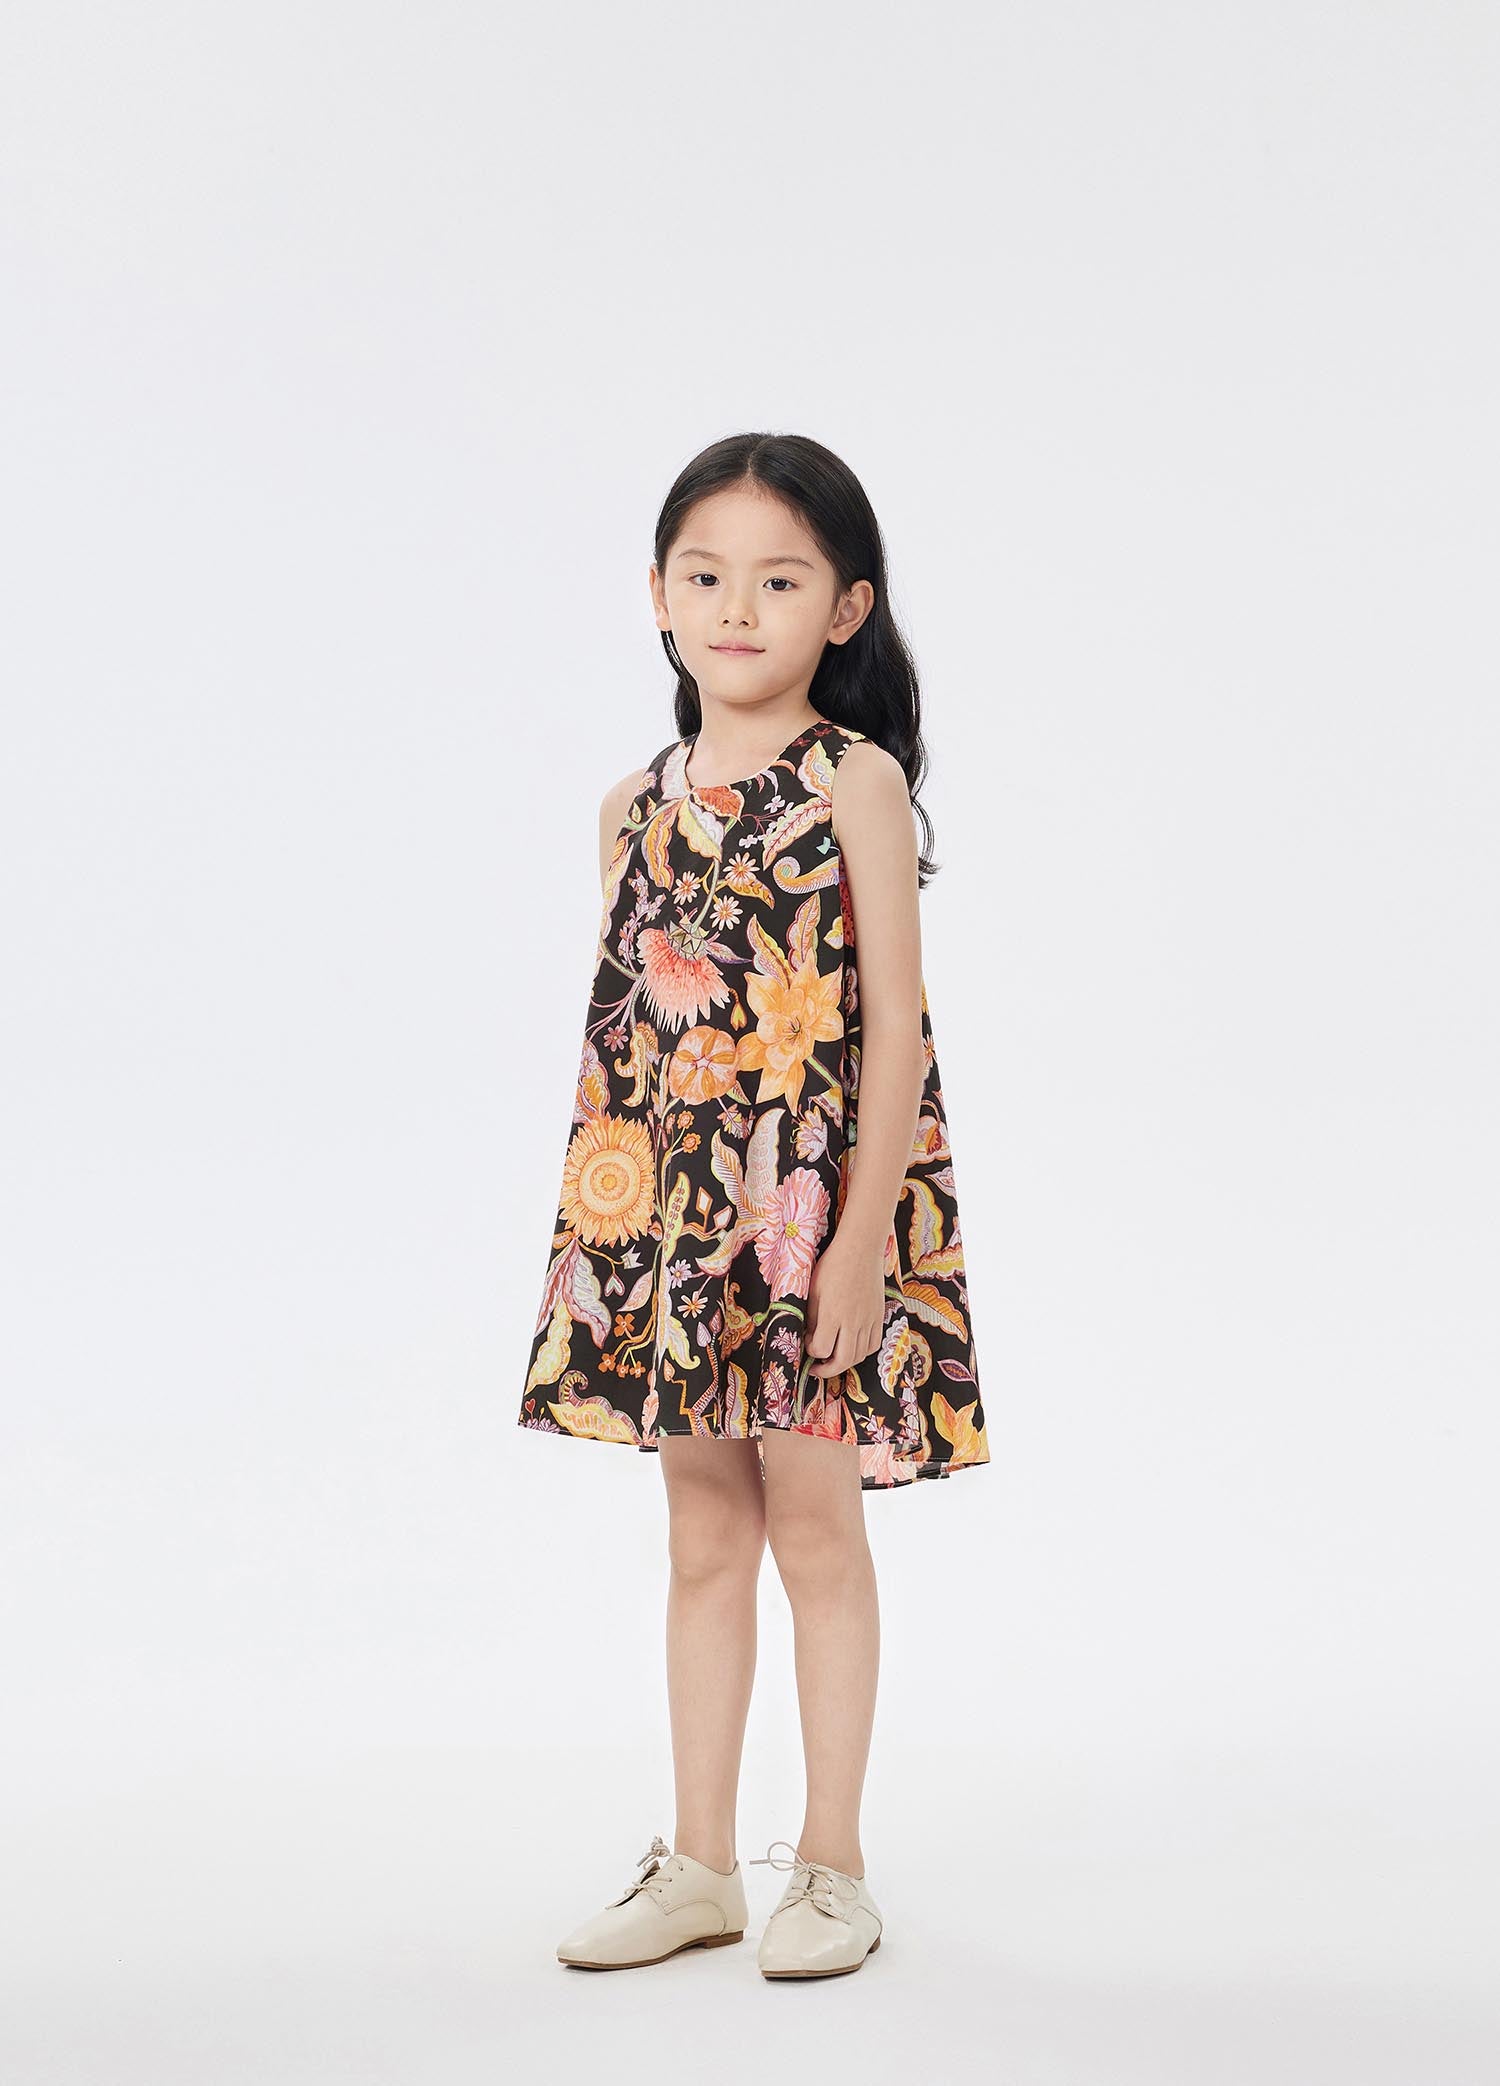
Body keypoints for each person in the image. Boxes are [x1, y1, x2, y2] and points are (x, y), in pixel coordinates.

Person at [518, 431, 990, 1980]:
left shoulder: (854, 783)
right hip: (673, 1221)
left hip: (813, 1215)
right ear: (658, 594)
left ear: (846, 607)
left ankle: (832, 1864)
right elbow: (642, 1049)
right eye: (706, 575)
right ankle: (702, 1862)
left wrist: (856, 1246)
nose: (736, 607)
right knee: (703, 1530)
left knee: (817, 1527)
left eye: (779, 580)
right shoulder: (629, 805)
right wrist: (624, 1249)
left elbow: (897, 1031)